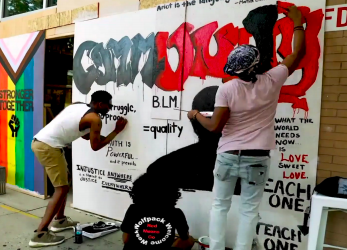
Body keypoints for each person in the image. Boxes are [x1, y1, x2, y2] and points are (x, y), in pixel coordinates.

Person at [187, 5, 305, 250]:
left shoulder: (228, 89)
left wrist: (196, 114)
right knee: (249, 211)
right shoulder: (273, 80)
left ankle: (217, 248)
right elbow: (297, 54)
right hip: (257, 159)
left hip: (228, 156)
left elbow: (215, 126)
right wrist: (297, 23)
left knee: (220, 205)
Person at [29, 90, 128, 247]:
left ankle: (60, 220)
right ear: (100, 104)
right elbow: (95, 146)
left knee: (65, 181)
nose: (109, 110)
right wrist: (116, 131)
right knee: (61, 189)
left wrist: (92, 134)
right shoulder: (95, 119)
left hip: (43, 142)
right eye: (108, 106)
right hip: (49, 147)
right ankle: (40, 234)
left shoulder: (78, 106)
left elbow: (76, 130)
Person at [121, 173, 195, 250]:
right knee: (190, 240)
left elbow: (126, 240)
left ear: (137, 192)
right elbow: (184, 237)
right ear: (172, 194)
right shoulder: (176, 213)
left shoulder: (133, 209)